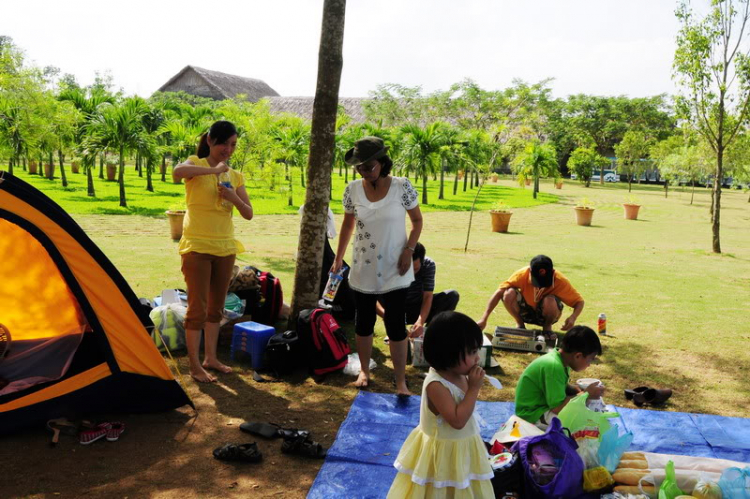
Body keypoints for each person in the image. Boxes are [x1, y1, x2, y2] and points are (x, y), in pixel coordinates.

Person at [331, 136, 423, 396]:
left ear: (383, 163)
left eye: (369, 166)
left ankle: (401, 380)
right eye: (360, 167)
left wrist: (408, 251)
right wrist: (338, 258)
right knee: (364, 322)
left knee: (395, 325)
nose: (364, 171)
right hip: (363, 266)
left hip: (396, 266)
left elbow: (417, 221)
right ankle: (364, 370)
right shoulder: (352, 190)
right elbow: (348, 225)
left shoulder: (401, 186)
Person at [173, 120, 254, 383]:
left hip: (225, 248)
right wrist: (213, 170)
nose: (228, 150)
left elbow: (248, 213)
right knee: (197, 308)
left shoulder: (235, 175)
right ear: (210, 140)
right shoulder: (195, 163)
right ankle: (195, 366)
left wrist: (234, 198)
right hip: (196, 247)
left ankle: (210, 358)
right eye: (223, 144)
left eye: (233, 145)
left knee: (216, 309)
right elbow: (177, 171)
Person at [387, 311, 494, 498]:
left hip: (462, 447)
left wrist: (471, 385)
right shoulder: (436, 385)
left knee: (465, 486)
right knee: (440, 490)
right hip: (442, 456)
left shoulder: (460, 374)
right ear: (449, 354)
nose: (477, 358)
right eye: (471, 352)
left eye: (477, 350)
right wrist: (474, 388)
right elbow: (458, 420)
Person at [514, 325, 604, 429]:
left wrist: (574, 389)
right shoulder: (554, 367)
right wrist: (587, 394)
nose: (589, 365)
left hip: (540, 409)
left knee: (586, 412)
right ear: (578, 356)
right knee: (581, 423)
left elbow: (558, 386)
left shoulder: (561, 360)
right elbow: (559, 408)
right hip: (530, 417)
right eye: (590, 360)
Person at [477, 254, 584, 336]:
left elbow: (579, 302)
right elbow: (499, 292)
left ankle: (547, 328)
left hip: (547, 315)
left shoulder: (560, 280)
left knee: (550, 299)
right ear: (530, 271)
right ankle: (520, 325)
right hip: (526, 313)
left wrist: (573, 317)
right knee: (508, 292)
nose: (539, 285)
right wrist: (484, 318)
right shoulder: (522, 274)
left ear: (553, 272)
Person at [376, 242, 459, 338]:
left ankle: (428, 332)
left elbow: (428, 296)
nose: (409, 274)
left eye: (415, 269)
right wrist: (388, 316)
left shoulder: (428, 264)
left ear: (422, 261)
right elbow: (372, 296)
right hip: (392, 306)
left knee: (452, 296)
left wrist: (420, 321)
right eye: (405, 268)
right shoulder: (388, 263)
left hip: (416, 306)